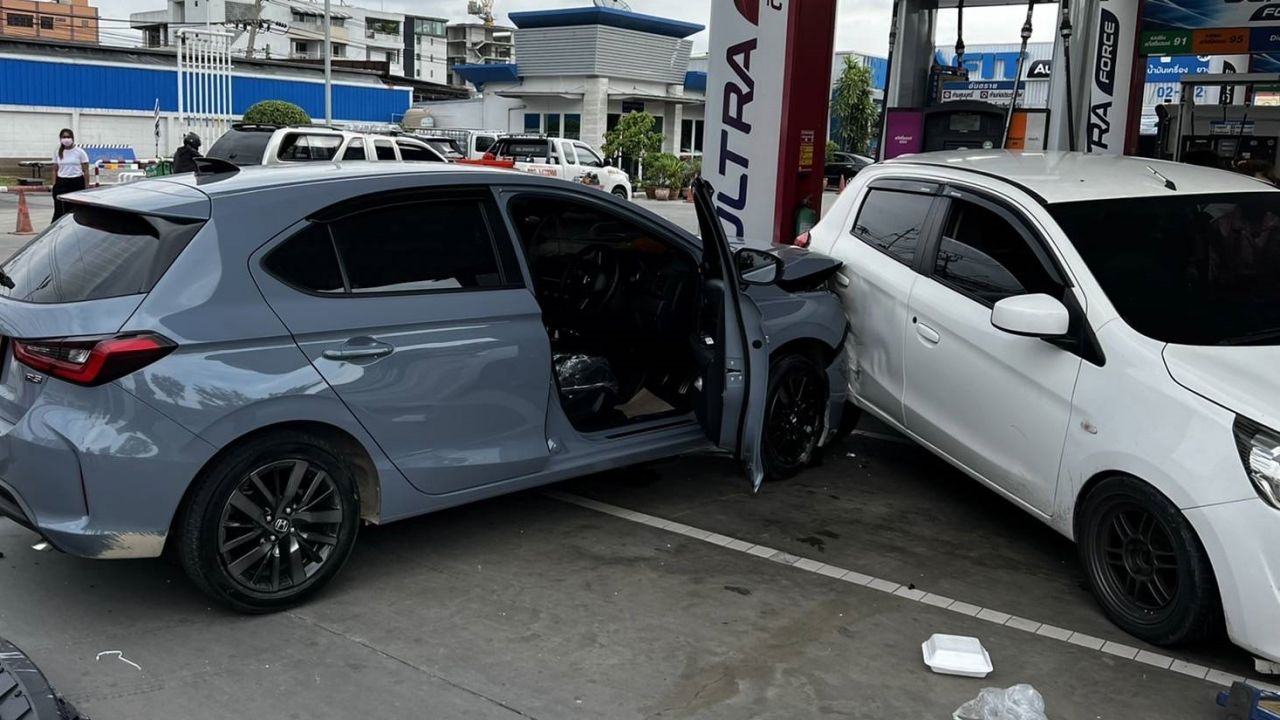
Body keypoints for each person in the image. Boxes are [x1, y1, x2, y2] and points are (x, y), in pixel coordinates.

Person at [51, 128, 90, 222]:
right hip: (61, 183)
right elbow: (54, 170)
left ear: (72, 138)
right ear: (60, 139)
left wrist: (86, 186)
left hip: (76, 182)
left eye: (68, 137)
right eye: (64, 137)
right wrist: (54, 185)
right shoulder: (57, 152)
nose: (66, 139)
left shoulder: (80, 152)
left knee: (75, 209)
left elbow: (86, 170)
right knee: (59, 210)